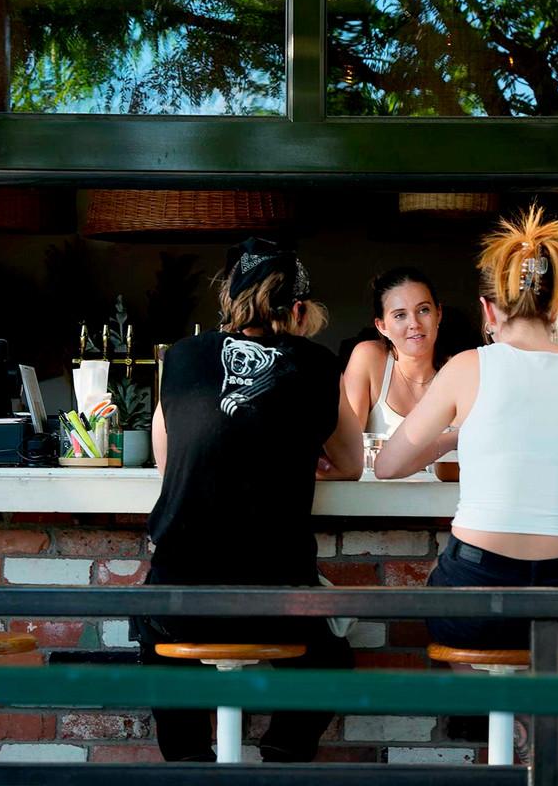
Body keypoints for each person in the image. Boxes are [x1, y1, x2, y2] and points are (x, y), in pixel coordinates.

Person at [373, 206, 558, 652]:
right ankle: (523, 719)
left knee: (465, 660)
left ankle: (496, 721)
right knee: (535, 689)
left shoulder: (468, 367)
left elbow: (388, 465)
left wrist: (462, 436)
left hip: (478, 586)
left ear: (487, 308)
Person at [133, 237, 362, 763]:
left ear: (229, 303)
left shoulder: (183, 357)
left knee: (163, 659)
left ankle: (189, 765)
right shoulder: (320, 364)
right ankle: (279, 755)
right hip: (274, 600)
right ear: (299, 310)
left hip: (179, 599)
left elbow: (170, 466)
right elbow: (350, 463)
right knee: (331, 667)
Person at [344, 267, 444, 437]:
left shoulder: (458, 369)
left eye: (423, 310)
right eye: (399, 315)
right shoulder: (368, 358)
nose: (414, 323)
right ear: (382, 326)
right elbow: (347, 446)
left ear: (438, 314)